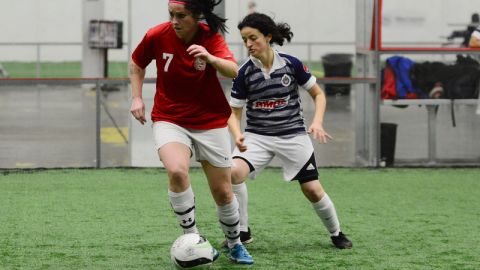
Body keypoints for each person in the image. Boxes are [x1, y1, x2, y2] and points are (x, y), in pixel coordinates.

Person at [129, 0, 253, 265]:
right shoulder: (156, 35)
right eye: (171, 15)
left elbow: (234, 71)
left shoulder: (210, 38)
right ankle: (192, 239)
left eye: (181, 16)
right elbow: (137, 63)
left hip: (210, 122)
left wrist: (210, 58)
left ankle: (235, 244)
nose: (175, 21)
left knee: (223, 191)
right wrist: (137, 97)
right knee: (176, 171)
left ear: (197, 16)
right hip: (169, 118)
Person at [226, 12, 353, 249]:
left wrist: (317, 122)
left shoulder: (291, 64)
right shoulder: (243, 72)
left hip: (293, 134)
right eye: (244, 40)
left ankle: (336, 233)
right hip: (257, 137)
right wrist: (237, 135)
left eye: (253, 38)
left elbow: (318, 94)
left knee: (312, 189)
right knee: (233, 173)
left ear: (268, 36)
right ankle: (242, 231)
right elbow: (233, 113)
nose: (248, 44)